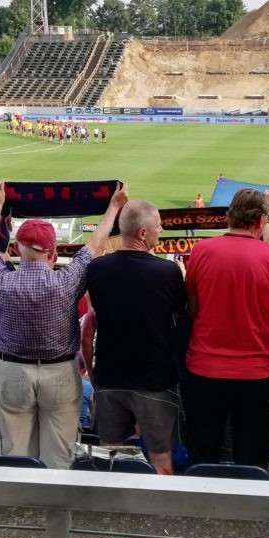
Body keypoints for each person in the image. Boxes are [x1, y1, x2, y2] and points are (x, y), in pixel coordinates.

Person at [0, 182, 127, 468]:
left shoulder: (1, 281)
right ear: (53, 252)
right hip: (59, 372)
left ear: (18, 248)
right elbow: (95, 246)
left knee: (14, 456)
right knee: (59, 458)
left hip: (15, 372)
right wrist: (113, 207)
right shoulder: (65, 281)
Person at [183, 188, 269, 468]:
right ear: (261, 220)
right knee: (251, 458)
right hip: (255, 372)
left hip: (205, 369)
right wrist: (256, 331)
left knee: (203, 455)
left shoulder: (202, 250)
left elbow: (192, 309)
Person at [83, 199, 188, 474]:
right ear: (142, 233)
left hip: (110, 377)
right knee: (161, 457)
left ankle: (111, 502)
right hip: (155, 381)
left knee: (109, 455)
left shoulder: (96, 269)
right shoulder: (167, 272)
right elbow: (182, 319)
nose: (161, 230)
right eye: (158, 226)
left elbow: (90, 325)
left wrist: (93, 373)